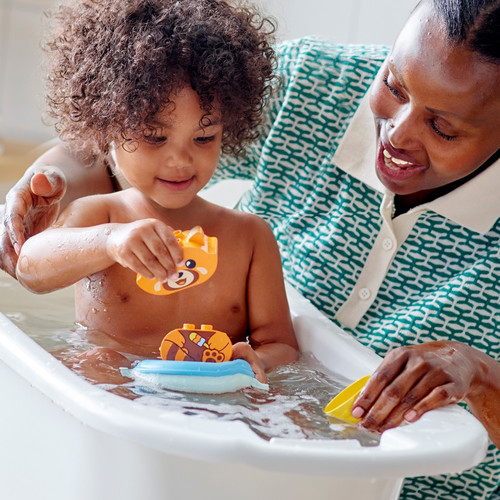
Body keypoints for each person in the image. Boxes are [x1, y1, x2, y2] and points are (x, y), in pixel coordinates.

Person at [1, 0, 499, 497]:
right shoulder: (310, 87)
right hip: (133, 439)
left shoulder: (249, 237)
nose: (400, 133)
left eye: (444, 128)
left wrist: (477, 372)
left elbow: (278, 348)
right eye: (393, 85)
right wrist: (47, 186)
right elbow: (111, 146)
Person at [12, 0, 299, 383]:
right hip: (115, 391)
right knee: (88, 362)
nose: (180, 160)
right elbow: (30, 267)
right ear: (106, 129)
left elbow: (283, 347)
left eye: (204, 137)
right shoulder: (102, 216)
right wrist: (109, 242)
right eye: (154, 137)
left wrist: (253, 362)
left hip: (213, 399)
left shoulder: (250, 237)